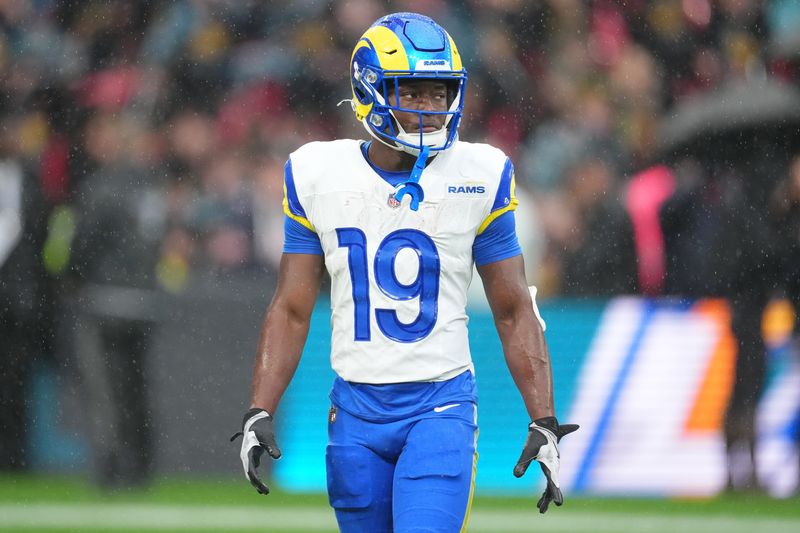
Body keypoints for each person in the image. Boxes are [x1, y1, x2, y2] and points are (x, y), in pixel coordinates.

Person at [233, 12, 578, 531]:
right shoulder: (316, 174)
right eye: (412, 92)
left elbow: (512, 309)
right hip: (353, 409)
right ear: (369, 91)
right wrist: (260, 408)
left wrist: (543, 418)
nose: (429, 107)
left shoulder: (479, 175)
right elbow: (291, 306)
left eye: (439, 93)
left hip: (440, 404)